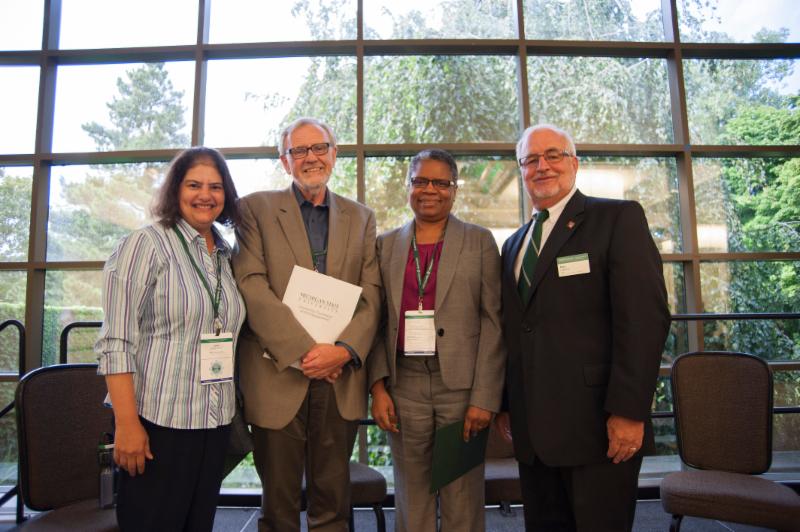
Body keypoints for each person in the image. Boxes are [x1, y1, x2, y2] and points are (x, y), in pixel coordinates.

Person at [497, 124, 670, 531]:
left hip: (598, 428)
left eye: (553, 155)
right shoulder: (514, 244)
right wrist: (507, 402)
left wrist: (629, 411)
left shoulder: (617, 218)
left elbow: (645, 320)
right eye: (530, 160)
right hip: (533, 434)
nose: (542, 167)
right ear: (521, 170)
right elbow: (516, 330)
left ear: (574, 163)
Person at [232, 117, 381, 532]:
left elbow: (372, 293)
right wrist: (305, 352)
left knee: (333, 503)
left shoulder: (362, 217)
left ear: (335, 154)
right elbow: (251, 284)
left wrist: (343, 351)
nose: (311, 157)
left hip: (339, 378)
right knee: (278, 505)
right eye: (299, 151)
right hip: (276, 372)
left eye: (319, 148)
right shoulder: (254, 209)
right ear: (285, 161)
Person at [95, 147, 246, 531]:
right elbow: (115, 343)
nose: (205, 195)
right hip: (159, 424)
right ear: (175, 190)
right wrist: (127, 424)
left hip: (214, 423)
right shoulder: (146, 245)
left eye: (215, 186)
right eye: (193, 184)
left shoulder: (225, 255)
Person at [369, 149, 506, 532]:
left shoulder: (479, 242)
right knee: (412, 494)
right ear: (409, 186)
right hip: (404, 385)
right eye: (421, 181)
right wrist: (378, 388)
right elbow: (376, 322)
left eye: (441, 182)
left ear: (454, 189)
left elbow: (493, 322)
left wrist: (484, 396)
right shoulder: (386, 245)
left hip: (460, 387)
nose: (430, 190)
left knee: (462, 493)